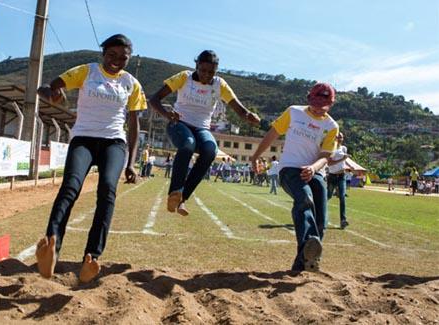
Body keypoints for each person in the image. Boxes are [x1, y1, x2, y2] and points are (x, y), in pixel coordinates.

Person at [34, 34, 146, 283]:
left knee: (108, 189)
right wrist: (54, 94)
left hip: (114, 143)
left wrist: (131, 163)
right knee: (70, 187)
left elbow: (134, 125)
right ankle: (51, 246)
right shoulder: (88, 71)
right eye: (111, 55)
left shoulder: (132, 83)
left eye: (122, 57)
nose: (116, 60)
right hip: (83, 138)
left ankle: (91, 257)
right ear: (103, 53)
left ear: (129, 58)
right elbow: (55, 84)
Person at [149, 50, 260, 215]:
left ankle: (183, 199)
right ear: (197, 66)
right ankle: (175, 191)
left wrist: (250, 116)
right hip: (178, 124)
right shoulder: (184, 77)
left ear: (216, 71)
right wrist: (167, 114)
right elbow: (154, 99)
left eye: (211, 72)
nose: (207, 75)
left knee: (210, 150)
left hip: (202, 128)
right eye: (203, 70)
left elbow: (239, 109)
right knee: (188, 144)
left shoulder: (219, 85)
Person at [251, 82, 339, 272]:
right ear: (309, 99)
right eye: (315, 104)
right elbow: (272, 134)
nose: (317, 110)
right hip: (290, 169)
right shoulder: (294, 112)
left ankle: (303, 264)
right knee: (304, 199)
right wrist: (255, 156)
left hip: (316, 172)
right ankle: (309, 249)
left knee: (321, 221)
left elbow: (325, 156)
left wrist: (313, 168)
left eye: (322, 107)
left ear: (330, 104)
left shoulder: (331, 126)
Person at [326, 132, 349, 229]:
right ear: (335, 138)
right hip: (332, 176)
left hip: (342, 176)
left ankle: (343, 220)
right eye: (339, 137)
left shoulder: (344, 148)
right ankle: (319, 214)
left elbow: (344, 160)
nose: (340, 138)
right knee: (328, 196)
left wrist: (347, 164)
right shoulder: (331, 148)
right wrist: (342, 159)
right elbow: (329, 163)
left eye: (341, 137)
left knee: (342, 197)